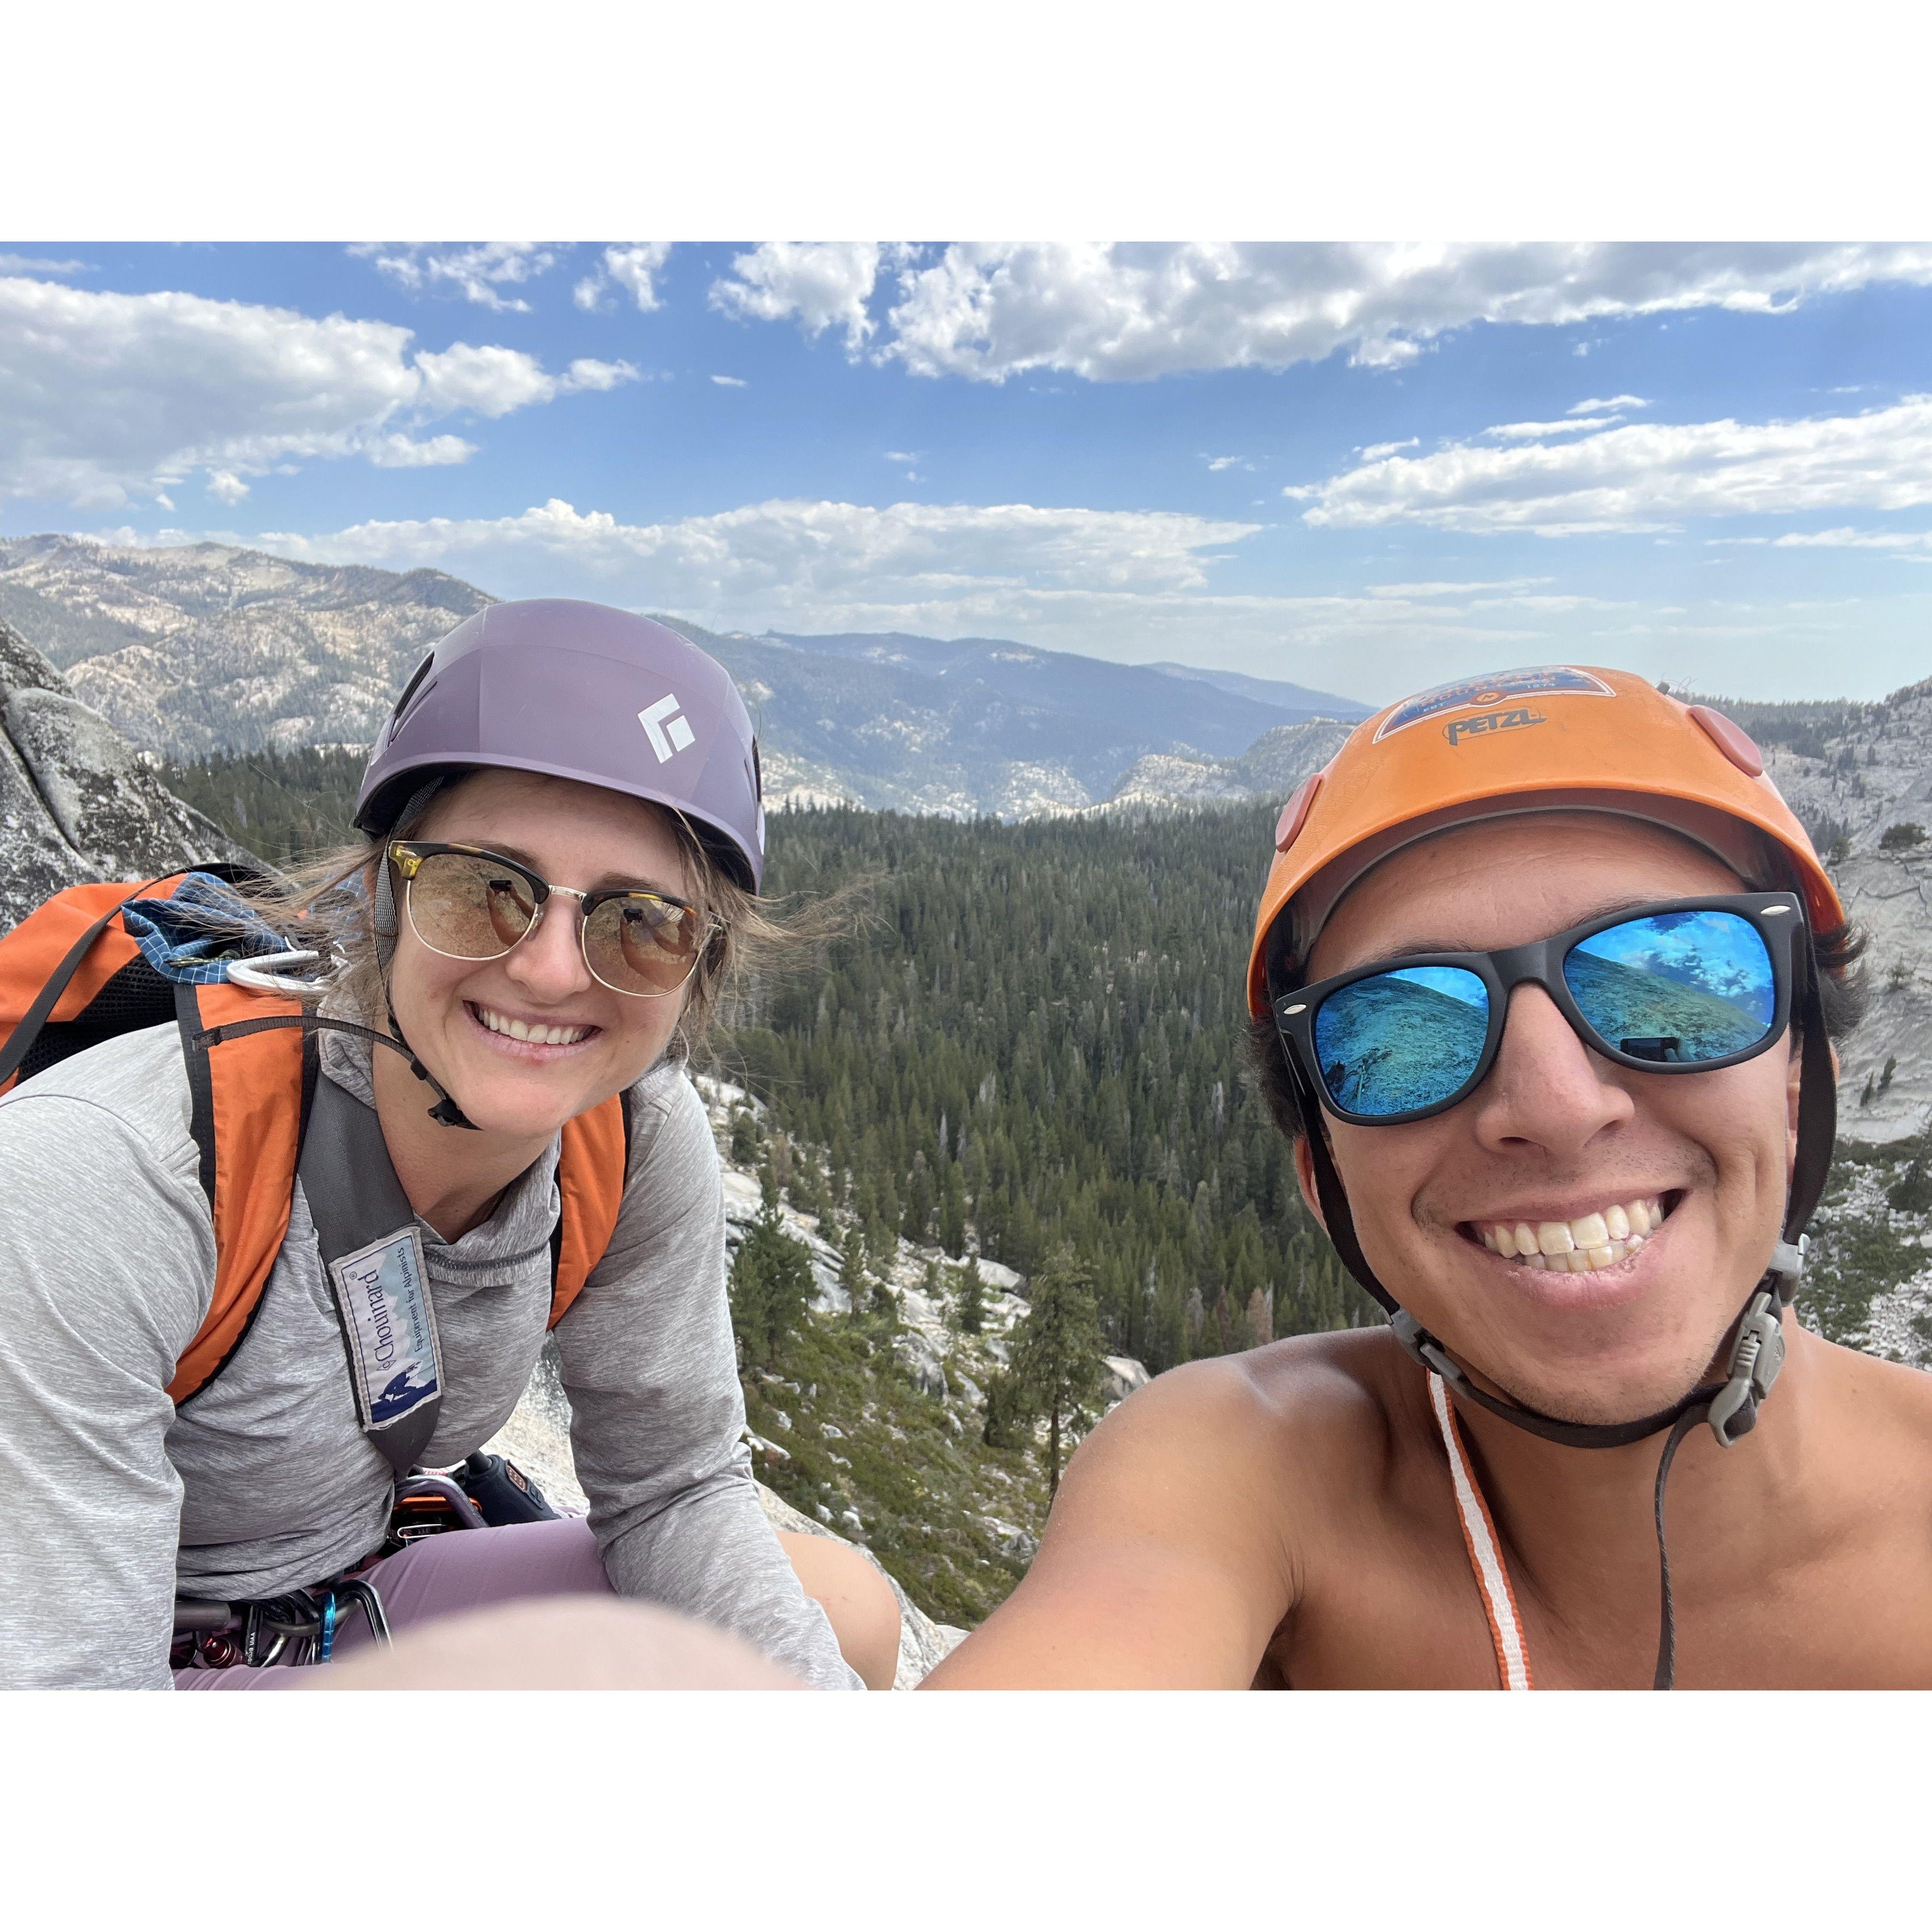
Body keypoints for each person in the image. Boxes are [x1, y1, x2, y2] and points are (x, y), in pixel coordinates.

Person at [927, 664, 1932, 1689]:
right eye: (1403, 1033)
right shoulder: (1244, 1473)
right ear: (1323, 1178)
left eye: (1672, 981)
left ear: (1806, 1088)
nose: (1556, 1108)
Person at [0, 599, 898, 1690]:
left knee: (843, 1612)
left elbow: (672, 1487)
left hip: (339, 1603)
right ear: (380, 895)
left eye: (640, 922)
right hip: (93, 1645)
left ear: (698, 969)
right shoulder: (115, 1176)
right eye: (487, 891)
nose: (554, 972)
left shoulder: (630, 1140)